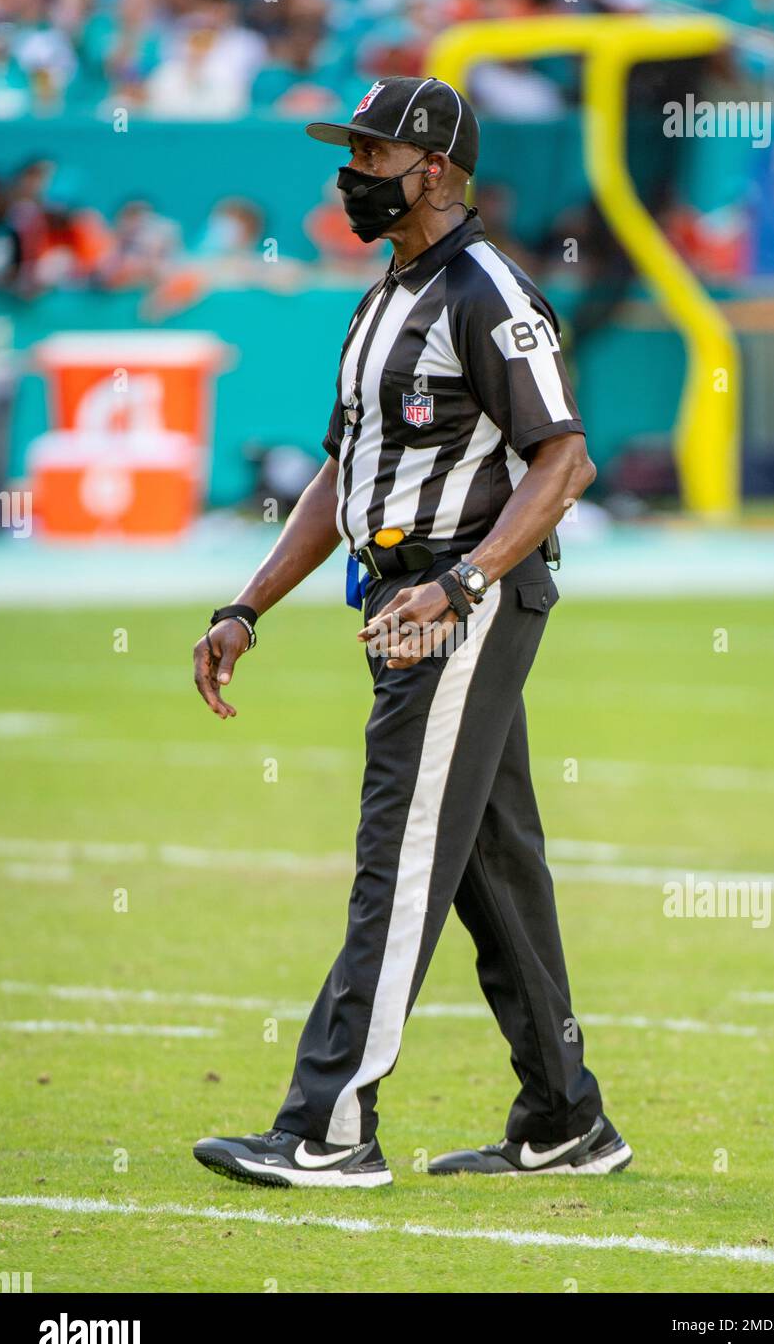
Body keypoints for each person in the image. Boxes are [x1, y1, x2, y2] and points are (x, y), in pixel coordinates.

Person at [192, 75, 631, 1189]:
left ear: (431, 168)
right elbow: (344, 470)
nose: (351, 176)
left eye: (371, 157)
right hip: (402, 591)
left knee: (399, 857)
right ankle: (564, 1115)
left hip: (456, 601)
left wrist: (464, 585)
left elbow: (563, 461)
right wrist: (247, 603)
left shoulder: (487, 290)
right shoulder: (385, 295)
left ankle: (328, 1126)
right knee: (490, 861)